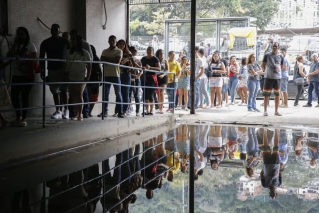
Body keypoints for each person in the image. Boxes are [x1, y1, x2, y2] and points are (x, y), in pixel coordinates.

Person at [6, 27, 37, 127]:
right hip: (16, 75)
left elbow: (35, 58)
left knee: (24, 97)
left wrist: (23, 60)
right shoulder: (15, 45)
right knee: (14, 96)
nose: (20, 36)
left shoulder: (31, 45)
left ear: (26, 35)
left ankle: (24, 119)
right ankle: (18, 116)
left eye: (22, 34)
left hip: (27, 75)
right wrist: (14, 45)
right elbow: (9, 55)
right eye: (18, 34)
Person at [40, 24, 70, 119]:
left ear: (59, 31)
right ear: (51, 30)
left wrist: (68, 69)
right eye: (53, 30)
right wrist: (42, 70)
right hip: (52, 69)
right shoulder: (46, 42)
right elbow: (41, 57)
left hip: (62, 69)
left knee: (63, 90)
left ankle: (66, 110)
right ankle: (58, 110)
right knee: (54, 91)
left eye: (56, 30)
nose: (54, 32)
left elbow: (71, 54)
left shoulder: (65, 41)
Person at [65, 35, 91, 121]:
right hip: (71, 76)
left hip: (81, 77)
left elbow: (90, 64)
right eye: (71, 39)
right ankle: (76, 113)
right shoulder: (69, 52)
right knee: (73, 95)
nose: (72, 41)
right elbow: (66, 63)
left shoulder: (84, 52)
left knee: (79, 94)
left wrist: (88, 75)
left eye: (74, 39)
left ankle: (80, 114)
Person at [99, 35, 124, 118]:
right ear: (108, 41)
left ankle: (120, 112)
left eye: (113, 40)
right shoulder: (105, 51)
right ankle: (104, 112)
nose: (112, 42)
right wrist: (111, 59)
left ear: (116, 42)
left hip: (116, 75)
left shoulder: (119, 51)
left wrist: (107, 59)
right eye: (110, 40)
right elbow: (101, 60)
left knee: (118, 94)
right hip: (107, 75)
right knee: (105, 94)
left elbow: (117, 61)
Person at [261, 42, 285, 116]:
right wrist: (265, 71)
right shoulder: (267, 55)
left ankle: (276, 111)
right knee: (266, 95)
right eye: (274, 46)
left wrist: (278, 70)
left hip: (277, 77)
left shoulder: (281, 56)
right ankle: (265, 111)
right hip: (268, 77)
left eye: (276, 46)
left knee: (277, 95)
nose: (275, 47)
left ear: (278, 47)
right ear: (272, 47)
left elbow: (282, 66)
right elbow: (263, 64)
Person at [260, 128, 282, 200]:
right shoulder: (278, 184)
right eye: (274, 194)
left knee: (265, 147)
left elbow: (261, 175)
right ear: (276, 193)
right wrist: (279, 168)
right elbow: (280, 174)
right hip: (276, 163)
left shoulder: (265, 185)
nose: (272, 192)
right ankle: (276, 131)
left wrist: (264, 168)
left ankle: (265, 130)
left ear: (269, 193)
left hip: (267, 164)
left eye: (271, 194)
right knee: (276, 147)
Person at [114, 39, 133, 117]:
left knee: (125, 93)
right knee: (118, 93)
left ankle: (124, 110)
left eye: (123, 44)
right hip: (117, 74)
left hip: (126, 75)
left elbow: (132, 64)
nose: (122, 45)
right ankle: (118, 110)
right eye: (120, 44)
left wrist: (129, 63)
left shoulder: (128, 54)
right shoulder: (116, 52)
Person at [140, 47, 161, 115]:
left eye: (150, 50)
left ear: (153, 51)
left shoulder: (155, 58)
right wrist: (142, 68)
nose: (149, 51)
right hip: (144, 78)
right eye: (148, 50)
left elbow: (159, 69)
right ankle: (147, 110)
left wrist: (150, 67)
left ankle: (151, 110)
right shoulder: (143, 58)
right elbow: (140, 66)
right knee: (145, 94)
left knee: (151, 94)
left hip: (152, 78)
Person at [87, 45, 102, 117]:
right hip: (87, 78)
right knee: (87, 96)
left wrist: (101, 78)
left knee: (94, 96)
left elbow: (99, 69)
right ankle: (86, 111)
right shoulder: (86, 57)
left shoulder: (96, 58)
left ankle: (89, 111)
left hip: (94, 78)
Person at [129, 46, 143, 116]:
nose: (135, 52)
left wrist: (138, 76)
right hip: (130, 79)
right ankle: (128, 109)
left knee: (137, 95)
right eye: (133, 50)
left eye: (135, 51)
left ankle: (137, 111)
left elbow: (141, 70)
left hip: (137, 79)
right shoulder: (128, 60)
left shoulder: (138, 60)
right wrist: (131, 75)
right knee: (128, 95)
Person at [155, 49, 168, 114]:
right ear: (158, 54)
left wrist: (163, 75)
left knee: (162, 92)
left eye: (162, 53)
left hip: (164, 77)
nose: (162, 55)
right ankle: (159, 108)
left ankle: (161, 108)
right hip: (157, 77)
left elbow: (167, 70)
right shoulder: (156, 60)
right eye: (160, 53)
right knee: (158, 93)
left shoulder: (165, 61)